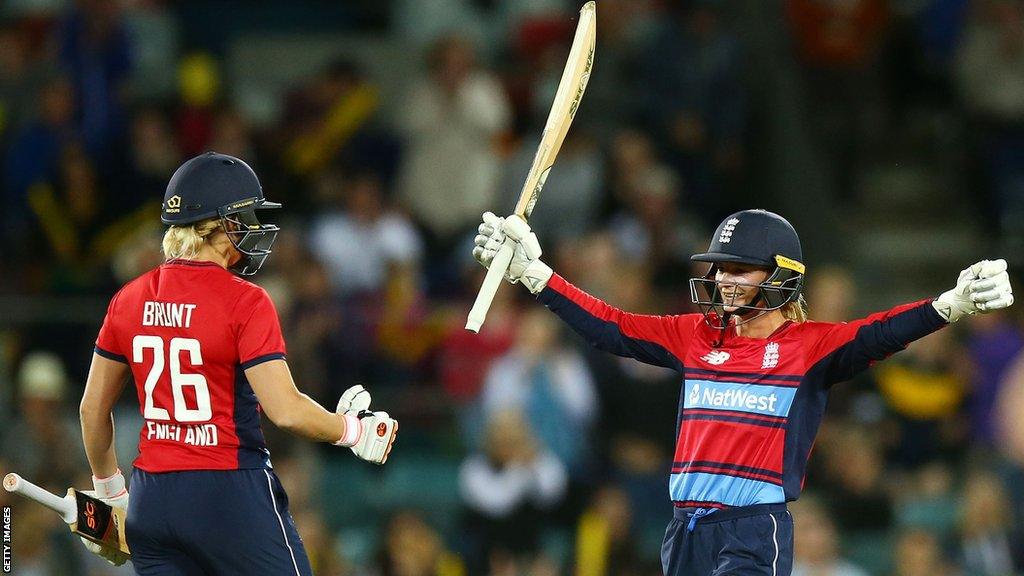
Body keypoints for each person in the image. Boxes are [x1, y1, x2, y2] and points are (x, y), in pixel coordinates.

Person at [472, 208, 1014, 576]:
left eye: (740, 270)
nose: (725, 281)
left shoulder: (810, 346)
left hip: (751, 531)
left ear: (781, 277)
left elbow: (880, 331)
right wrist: (534, 274)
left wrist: (951, 305)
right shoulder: (693, 334)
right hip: (683, 528)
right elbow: (611, 326)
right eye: (721, 269)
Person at [78, 152, 398, 573]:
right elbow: (285, 411)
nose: (253, 228)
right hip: (227, 492)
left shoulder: (128, 298)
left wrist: (110, 491)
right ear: (218, 226)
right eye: (244, 217)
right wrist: (353, 430)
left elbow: (91, 409)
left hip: (151, 498)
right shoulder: (245, 300)